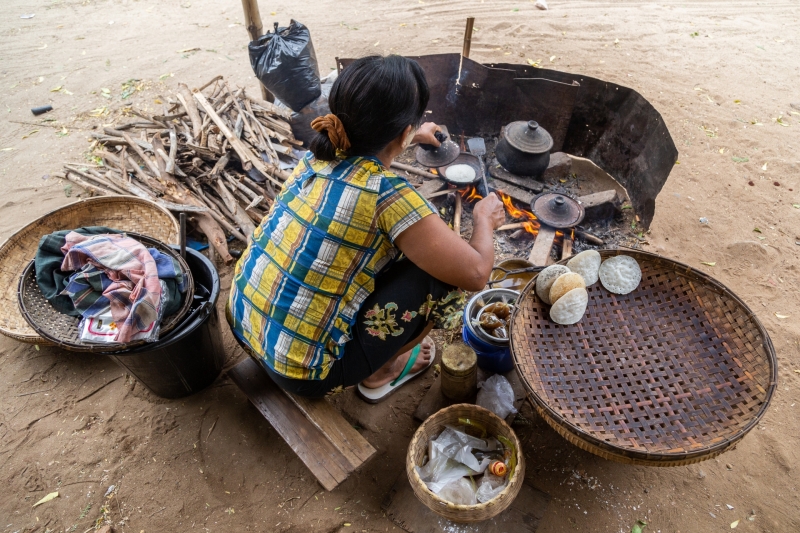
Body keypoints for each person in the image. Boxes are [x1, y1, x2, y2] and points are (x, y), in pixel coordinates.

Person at [227, 55, 505, 402]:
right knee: (442, 277)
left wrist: (409, 138)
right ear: (401, 132)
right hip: (301, 372)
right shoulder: (388, 195)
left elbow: (366, 152)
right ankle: (382, 370)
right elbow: (476, 273)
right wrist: (483, 220)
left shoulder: (317, 156)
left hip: (242, 320)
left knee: (393, 249)